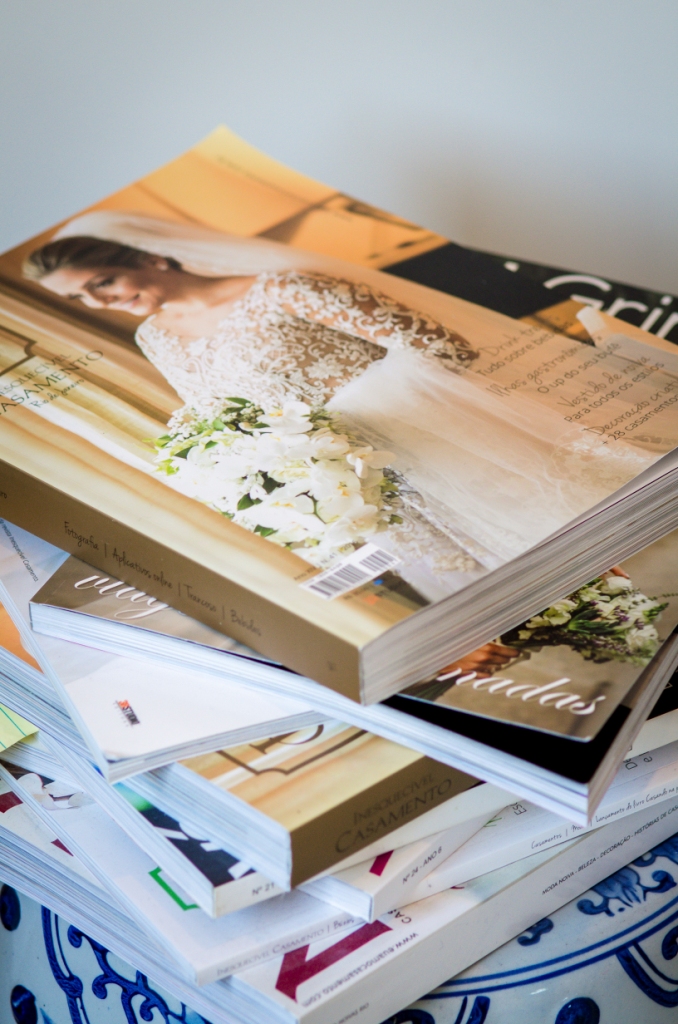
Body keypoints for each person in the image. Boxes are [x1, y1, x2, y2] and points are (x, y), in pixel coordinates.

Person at [23, 213, 654, 600]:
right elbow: (229, 414)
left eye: (102, 281)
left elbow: (438, 346)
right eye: (84, 299)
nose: (103, 301)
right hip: (351, 486)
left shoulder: (282, 288)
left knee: (577, 542)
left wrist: (360, 412)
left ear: (149, 256)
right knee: (489, 586)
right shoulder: (154, 336)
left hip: (442, 442)